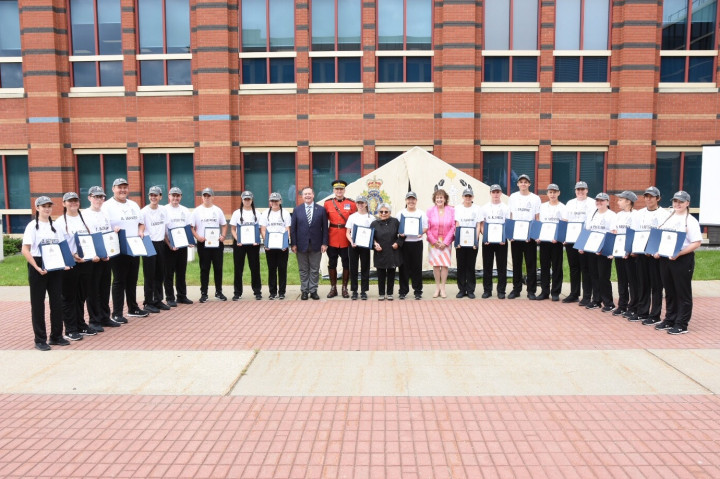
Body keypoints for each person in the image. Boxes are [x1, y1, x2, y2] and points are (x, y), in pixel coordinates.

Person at [22, 196, 68, 350]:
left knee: (57, 301)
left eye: (49, 206)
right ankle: (40, 339)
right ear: (37, 208)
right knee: (38, 303)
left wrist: (66, 263)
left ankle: (56, 336)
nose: (47, 209)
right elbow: (25, 249)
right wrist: (36, 267)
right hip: (39, 265)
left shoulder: (56, 226)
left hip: (54, 266)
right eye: (43, 206)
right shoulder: (32, 227)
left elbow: (62, 247)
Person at [653, 191, 702, 334]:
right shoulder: (668, 217)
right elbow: (661, 237)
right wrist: (657, 250)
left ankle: (681, 323)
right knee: (669, 290)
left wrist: (679, 253)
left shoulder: (690, 221)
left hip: (681, 259)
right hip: (666, 258)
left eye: (681, 201)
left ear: (687, 203)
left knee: (682, 292)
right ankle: (670, 319)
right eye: (675, 201)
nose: (677, 204)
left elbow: (697, 242)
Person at [102, 178, 148, 323]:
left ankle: (133, 308)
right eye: (119, 187)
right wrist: (112, 230)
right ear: (113, 189)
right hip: (118, 247)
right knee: (119, 280)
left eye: (125, 187)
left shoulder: (134, 204)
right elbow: (104, 226)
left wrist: (141, 231)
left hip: (134, 246)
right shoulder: (107, 206)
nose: (122, 190)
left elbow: (141, 223)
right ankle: (116, 312)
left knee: (132, 279)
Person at [54, 192, 96, 341]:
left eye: (75, 201)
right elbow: (59, 245)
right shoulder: (59, 223)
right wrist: (72, 256)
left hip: (86, 263)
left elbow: (91, 239)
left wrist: (93, 254)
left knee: (82, 296)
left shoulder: (85, 218)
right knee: (69, 297)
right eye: (70, 201)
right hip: (70, 264)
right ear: (64, 203)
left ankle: (81, 324)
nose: (73, 203)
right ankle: (70, 329)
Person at [629, 187, 670, 323]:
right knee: (642, 283)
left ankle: (655, 315)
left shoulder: (664, 214)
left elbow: (665, 235)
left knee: (656, 285)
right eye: (646, 196)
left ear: (658, 198)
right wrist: (632, 249)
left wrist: (655, 250)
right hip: (641, 254)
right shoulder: (638, 214)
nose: (648, 199)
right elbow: (634, 232)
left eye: (651, 197)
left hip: (655, 255)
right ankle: (642, 311)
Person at [83, 186, 115, 330]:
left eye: (101, 197)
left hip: (106, 256)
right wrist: (94, 254)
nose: (99, 200)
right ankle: (94, 320)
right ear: (89, 198)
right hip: (94, 257)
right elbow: (86, 237)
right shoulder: (84, 215)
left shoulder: (105, 214)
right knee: (93, 289)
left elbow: (108, 234)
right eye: (96, 197)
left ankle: (105, 316)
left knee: (104, 287)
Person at [580, 193, 617, 312]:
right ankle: (596, 300)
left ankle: (609, 302)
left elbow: (613, 233)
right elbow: (587, 230)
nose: (599, 202)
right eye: (597, 200)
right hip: (591, 249)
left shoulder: (612, 215)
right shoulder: (592, 214)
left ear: (607, 202)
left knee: (603, 276)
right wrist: (582, 245)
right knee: (594, 275)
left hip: (604, 251)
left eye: (602, 200)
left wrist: (604, 249)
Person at [290, 186, 328, 300]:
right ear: (302, 196)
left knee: (315, 269)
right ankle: (304, 291)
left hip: (316, 244)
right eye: (305, 194)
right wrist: (293, 244)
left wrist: (324, 243)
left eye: (309, 194)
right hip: (301, 245)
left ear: (313, 195)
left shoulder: (321, 210)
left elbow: (325, 228)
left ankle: (313, 290)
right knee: (303, 269)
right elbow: (293, 229)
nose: (307, 196)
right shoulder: (297, 210)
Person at [191, 187, 227, 303]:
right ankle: (204, 293)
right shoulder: (196, 211)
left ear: (213, 197)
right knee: (204, 268)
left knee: (218, 268)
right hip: (203, 243)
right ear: (202, 197)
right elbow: (191, 227)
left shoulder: (217, 210)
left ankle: (219, 292)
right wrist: (197, 237)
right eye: (205, 196)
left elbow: (224, 225)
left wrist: (223, 236)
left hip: (216, 243)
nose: (207, 198)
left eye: (209, 196)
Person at [508, 174, 541, 299]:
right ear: (517, 184)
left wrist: (536, 234)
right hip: (516, 236)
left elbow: (537, 217)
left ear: (529, 184)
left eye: (525, 182)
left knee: (530, 264)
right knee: (516, 263)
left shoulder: (535, 198)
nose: (523, 184)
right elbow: (511, 216)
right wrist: (510, 234)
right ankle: (516, 289)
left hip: (530, 236)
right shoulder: (513, 197)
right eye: (521, 182)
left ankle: (531, 291)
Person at [324, 180, 357, 298]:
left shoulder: (351, 204)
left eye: (341, 189)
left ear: (344, 190)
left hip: (346, 238)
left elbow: (355, 221)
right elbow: (324, 222)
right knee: (332, 263)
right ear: (333, 190)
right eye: (337, 189)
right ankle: (333, 288)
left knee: (346, 263)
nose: (339, 191)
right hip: (332, 237)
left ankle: (344, 288)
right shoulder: (327, 203)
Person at [563, 181, 594, 305]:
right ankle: (574, 294)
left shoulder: (592, 203)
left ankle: (587, 296)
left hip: (585, 239)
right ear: (575, 191)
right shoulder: (570, 203)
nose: (580, 192)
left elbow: (592, 222)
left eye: (583, 189)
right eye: (578, 190)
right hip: (571, 239)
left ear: (587, 190)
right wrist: (564, 237)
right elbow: (565, 220)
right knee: (574, 267)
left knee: (585, 268)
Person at [140, 186, 169, 313]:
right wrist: (141, 234)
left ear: (160, 197)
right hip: (148, 242)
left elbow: (166, 228)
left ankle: (158, 300)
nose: (153, 197)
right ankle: (148, 302)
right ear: (149, 196)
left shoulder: (163, 210)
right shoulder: (144, 211)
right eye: (151, 195)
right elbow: (140, 227)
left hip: (160, 243)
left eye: (156, 195)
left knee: (160, 273)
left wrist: (169, 243)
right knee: (149, 274)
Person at [163, 187, 193, 307]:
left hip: (182, 245)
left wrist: (189, 241)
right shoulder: (164, 210)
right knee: (168, 273)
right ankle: (170, 297)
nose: (175, 198)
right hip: (168, 245)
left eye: (178, 196)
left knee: (181, 272)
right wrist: (169, 244)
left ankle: (182, 296)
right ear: (169, 196)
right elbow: (163, 230)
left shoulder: (185, 210)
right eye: (173, 195)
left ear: (181, 197)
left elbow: (188, 227)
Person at [230, 191, 262, 300]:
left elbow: (259, 229)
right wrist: (237, 239)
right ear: (242, 200)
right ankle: (237, 292)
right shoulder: (236, 213)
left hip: (253, 244)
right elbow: (233, 229)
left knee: (255, 267)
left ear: (252, 200)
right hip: (239, 244)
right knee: (238, 268)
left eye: (249, 199)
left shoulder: (257, 213)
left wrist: (257, 240)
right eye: (245, 199)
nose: (247, 201)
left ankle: (257, 291)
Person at [536, 184, 566, 301]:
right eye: (550, 192)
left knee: (557, 267)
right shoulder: (542, 207)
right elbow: (539, 222)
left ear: (559, 193)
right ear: (547, 194)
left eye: (554, 192)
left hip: (556, 241)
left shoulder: (563, 207)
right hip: (544, 241)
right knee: (544, 266)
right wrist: (538, 236)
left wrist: (558, 237)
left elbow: (564, 224)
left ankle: (555, 292)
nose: (552, 194)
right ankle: (544, 291)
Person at [480, 184, 510, 299]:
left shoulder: (506, 208)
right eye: (494, 192)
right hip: (487, 242)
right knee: (487, 266)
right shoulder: (484, 208)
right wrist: (485, 236)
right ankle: (487, 290)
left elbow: (508, 224)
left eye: (498, 192)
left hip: (502, 242)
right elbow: (482, 224)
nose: (496, 194)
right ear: (490, 193)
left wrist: (505, 237)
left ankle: (501, 291)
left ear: (501, 193)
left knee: (502, 266)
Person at [260, 192, 291, 300]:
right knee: (272, 269)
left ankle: (282, 292)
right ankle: (272, 292)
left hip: (282, 246)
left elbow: (287, 229)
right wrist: (266, 243)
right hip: (270, 246)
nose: (274, 203)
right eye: (272, 201)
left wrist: (286, 243)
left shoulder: (286, 213)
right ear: (270, 202)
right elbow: (263, 229)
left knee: (282, 269)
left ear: (280, 201)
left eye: (276, 201)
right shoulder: (265, 214)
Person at [397, 191, 427, 300]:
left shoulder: (421, 213)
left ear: (416, 201)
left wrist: (421, 232)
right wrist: (400, 233)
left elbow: (425, 227)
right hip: (404, 244)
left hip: (417, 243)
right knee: (403, 268)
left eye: (413, 199)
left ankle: (418, 291)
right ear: (406, 201)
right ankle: (403, 291)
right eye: (409, 199)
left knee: (417, 268)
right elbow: (397, 228)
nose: (411, 201)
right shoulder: (400, 213)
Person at [613, 191, 638, 317]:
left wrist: (630, 250)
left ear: (628, 201)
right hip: (618, 251)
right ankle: (622, 304)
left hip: (630, 253)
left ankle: (633, 305)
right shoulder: (618, 215)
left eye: (621, 200)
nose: (618, 202)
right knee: (621, 279)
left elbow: (635, 234)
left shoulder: (636, 215)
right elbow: (615, 232)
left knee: (632, 280)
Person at [371, 203, 404, 300]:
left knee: (391, 273)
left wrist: (398, 243)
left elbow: (402, 235)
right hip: (379, 252)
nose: (383, 213)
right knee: (380, 274)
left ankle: (389, 293)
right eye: (381, 212)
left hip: (392, 252)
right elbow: (370, 238)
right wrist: (374, 244)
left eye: (386, 212)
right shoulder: (374, 224)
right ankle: (381, 294)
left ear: (390, 212)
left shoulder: (395, 222)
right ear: (378, 212)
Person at [426, 189, 455, 298]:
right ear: (434, 199)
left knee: (445, 265)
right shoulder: (430, 211)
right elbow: (427, 228)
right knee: (436, 265)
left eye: (441, 197)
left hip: (446, 241)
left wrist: (446, 242)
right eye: (437, 197)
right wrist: (434, 241)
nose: (439, 199)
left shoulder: (451, 210)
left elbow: (453, 227)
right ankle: (437, 287)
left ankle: (443, 288)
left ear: (445, 199)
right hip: (434, 242)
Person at [454, 188, 482, 298]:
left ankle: (470, 290)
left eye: (470, 196)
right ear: (463, 197)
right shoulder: (457, 208)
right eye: (466, 196)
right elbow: (457, 224)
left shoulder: (477, 208)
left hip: (473, 242)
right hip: (460, 241)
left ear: (473, 197)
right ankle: (461, 289)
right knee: (460, 266)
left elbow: (478, 225)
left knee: (471, 266)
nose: (468, 198)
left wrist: (476, 241)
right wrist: (458, 240)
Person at [345, 195, 374, 300]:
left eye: (362, 203)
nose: (360, 205)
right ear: (356, 204)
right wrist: (351, 241)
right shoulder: (352, 217)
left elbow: (373, 233)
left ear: (366, 204)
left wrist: (372, 243)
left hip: (365, 246)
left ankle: (364, 291)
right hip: (353, 245)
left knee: (365, 268)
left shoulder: (371, 218)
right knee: (353, 268)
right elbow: (347, 232)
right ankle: (354, 290)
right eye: (358, 203)